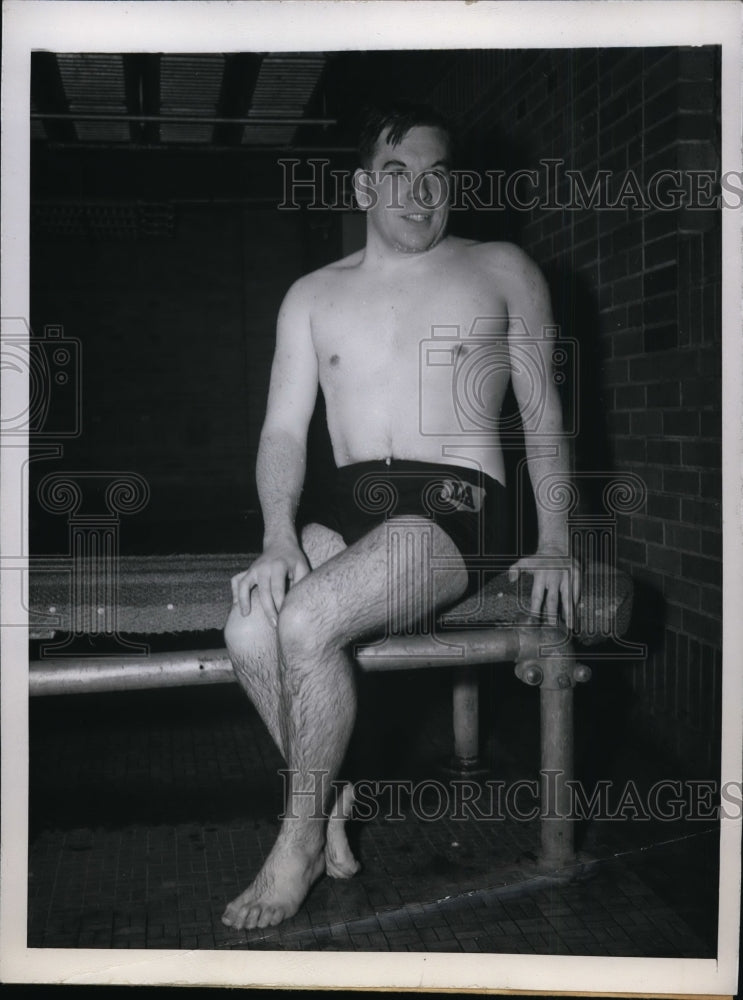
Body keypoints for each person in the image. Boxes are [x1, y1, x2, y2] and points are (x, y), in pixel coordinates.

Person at [222, 103, 580, 931]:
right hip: (348, 500)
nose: (418, 194)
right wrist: (277, 535)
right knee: (249, 627)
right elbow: (281, 430)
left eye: (435, 177)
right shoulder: (312, 295)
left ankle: (298, 840)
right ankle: (332, 796)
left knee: (307, 622)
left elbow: (543, 418)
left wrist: (557, 540)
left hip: (459, 503)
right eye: (396, 175)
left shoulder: (500, 268)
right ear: (361, 186)